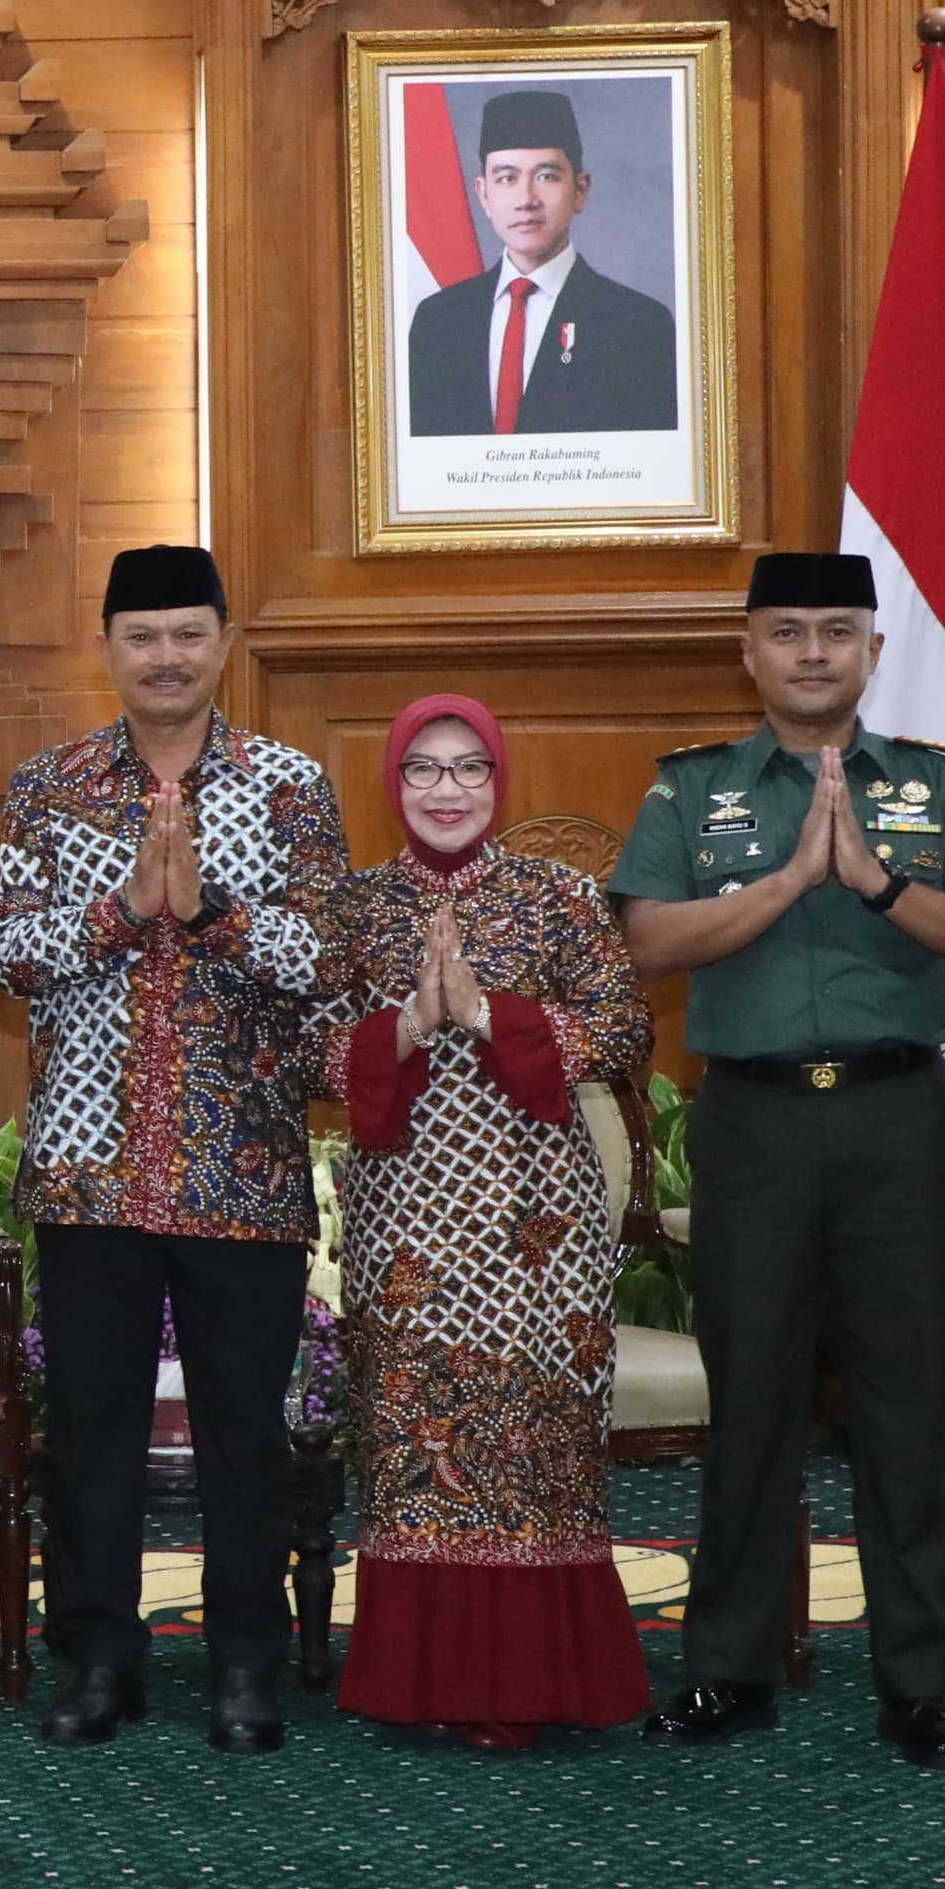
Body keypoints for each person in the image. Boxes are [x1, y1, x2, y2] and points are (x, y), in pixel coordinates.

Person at [612, 551, 945, 1769]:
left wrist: (877, 884)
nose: (812, 652)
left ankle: (920, 1685)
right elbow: (647, 940)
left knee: (906, 1410)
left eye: (836, 631)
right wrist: (792, 879)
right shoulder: (692, 792)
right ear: (749, 654)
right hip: (756, 1127)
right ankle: (728, 1671)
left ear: (873, 653)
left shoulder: (939, 788)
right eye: (785, 631)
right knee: (751, 1406)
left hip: (900, 1121)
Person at [0, 543, 346, 1753]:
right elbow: (8, 952)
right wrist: (126, 909)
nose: (166, 656)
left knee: (246, 1429)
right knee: (94, 1428)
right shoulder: (49, 787)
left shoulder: (289, 786)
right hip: (92, 1168)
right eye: (141, 636)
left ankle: (245, 1664)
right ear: (107, 649)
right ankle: (100, 1659)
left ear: (224, 642)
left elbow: (326, 957)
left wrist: (213, 914)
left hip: (243, 1169)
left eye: (188, 632)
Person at [313, 696, 656, 1748]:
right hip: (405, 1220)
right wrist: (409, 1023)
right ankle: (423, 1683)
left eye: (469, 767)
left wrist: (488, 1015)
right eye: (422, 768)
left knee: (535, 1440)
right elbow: (308, 1055)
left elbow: (621, 1026)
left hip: (536, 1219)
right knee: (416, 1437)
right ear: (394, 784)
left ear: (497, 782)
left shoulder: (558, 897)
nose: (447, 789)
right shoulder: (354, 908)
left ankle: (536, 1682)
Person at [404, 87, 680, 438]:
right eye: (507, 178)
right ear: (484, 194)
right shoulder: (437, 321)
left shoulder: (638, 326)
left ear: (580, 190)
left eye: (546, 176)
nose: (526, 199)